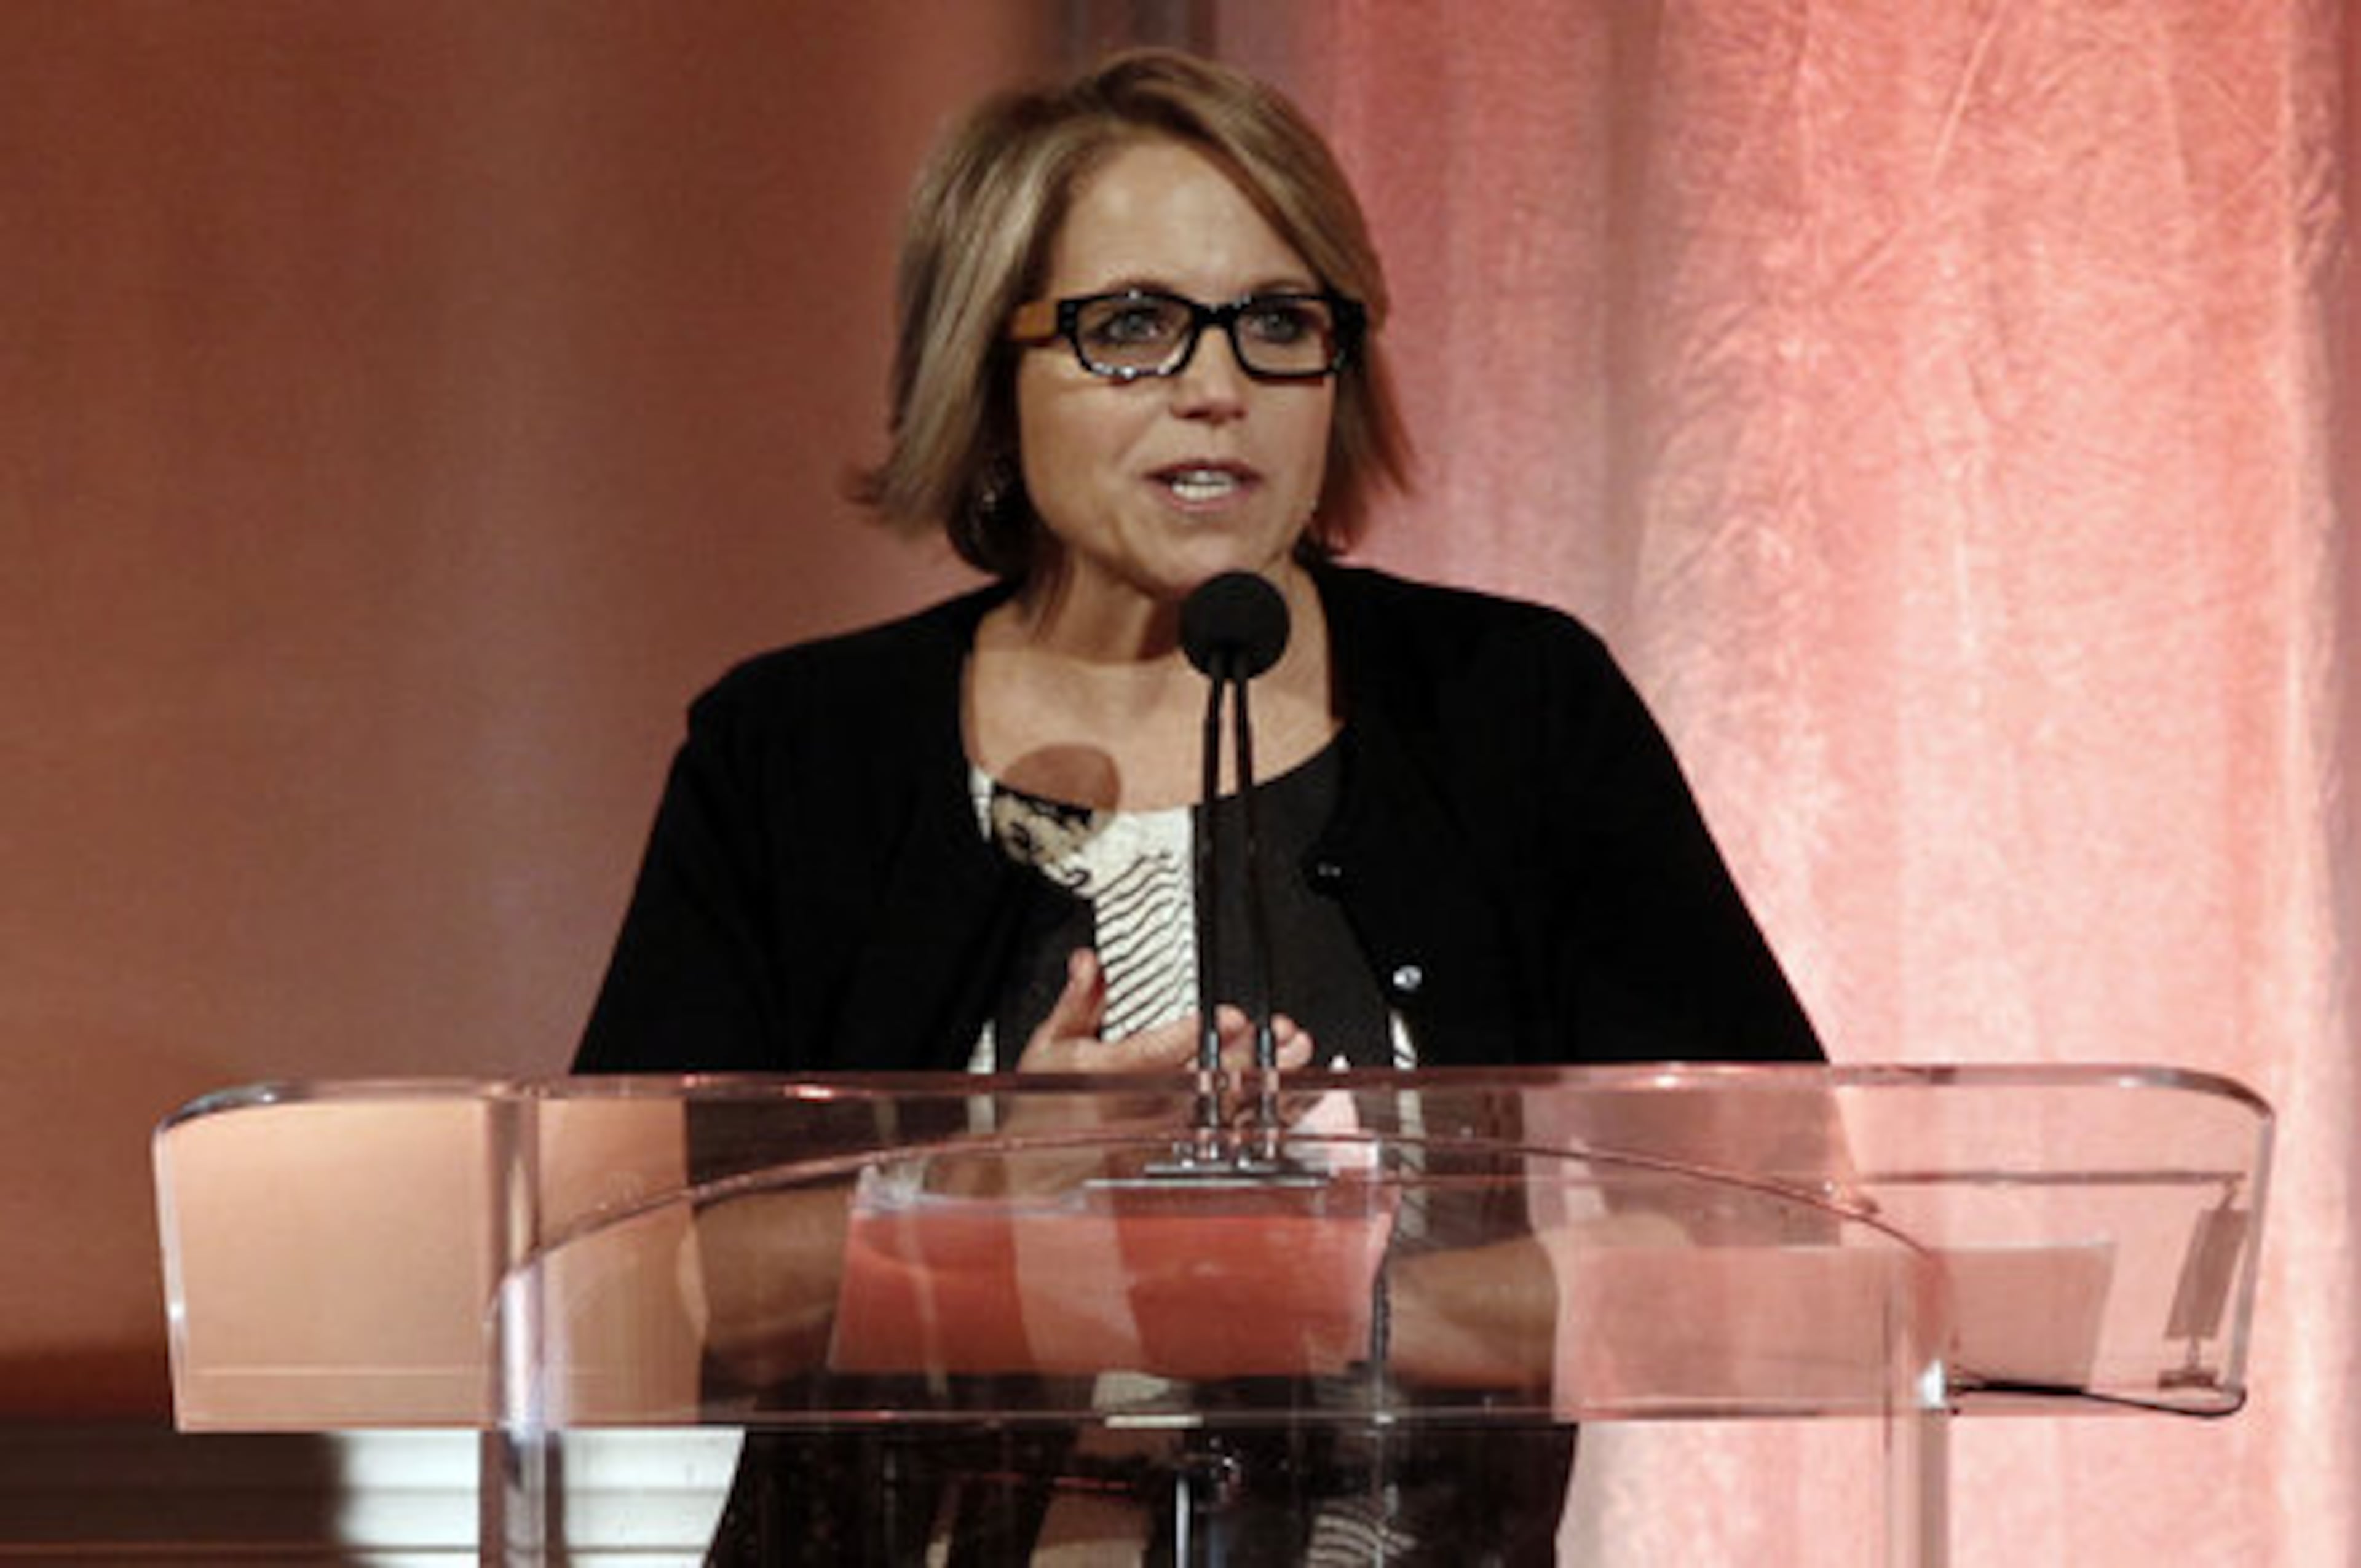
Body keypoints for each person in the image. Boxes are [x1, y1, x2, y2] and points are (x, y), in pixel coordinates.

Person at [576, 47, 1822, 1565]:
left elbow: (1767, 1240)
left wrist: (1339, 1305)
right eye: (1132, 327)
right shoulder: (800, 753)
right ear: (989, 370)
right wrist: (966, 1201)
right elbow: (622, 1288)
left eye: (1280, 324)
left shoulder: (1510, 710)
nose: (1218, 389)